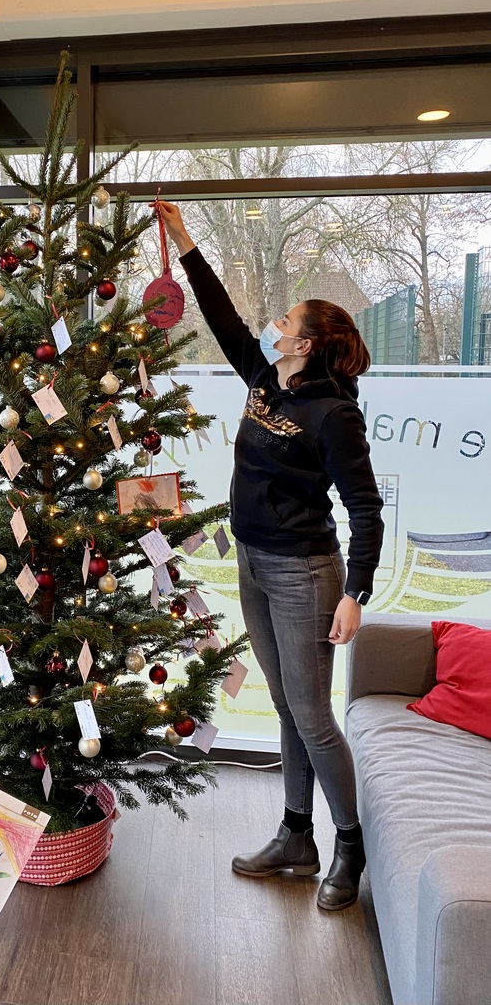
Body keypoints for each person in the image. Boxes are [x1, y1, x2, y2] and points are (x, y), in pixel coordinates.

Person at [158, 202, 384, 911]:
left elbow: (366, 509)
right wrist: (185, 242)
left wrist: (356, 592)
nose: (274, 326)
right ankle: (296, 836)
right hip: (252, 564)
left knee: (313, 716)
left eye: (286, 322)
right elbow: (222, 317)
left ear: (309, 344)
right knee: (286, 708)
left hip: (305, 574)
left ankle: (349, 844)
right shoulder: (263, 377)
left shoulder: (334, 414)